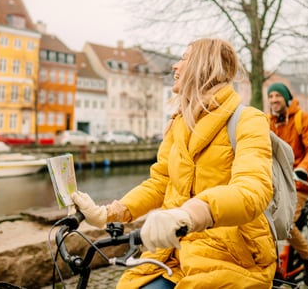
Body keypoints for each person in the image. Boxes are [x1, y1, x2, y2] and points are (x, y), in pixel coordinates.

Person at [71, 38, 276, 289]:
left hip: (231, 255)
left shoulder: (249, 120)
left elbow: (252, 191)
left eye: (184, 58)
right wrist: (107, 213)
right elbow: (160, 183)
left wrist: (190, 214)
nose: (174, 67)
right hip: (174, 251)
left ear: (205, 66)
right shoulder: (179, 122)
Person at [267, 82, 308, 287]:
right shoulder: (267, 121)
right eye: (270, 96)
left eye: (277, 96)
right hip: (274, 181)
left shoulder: (302, 119)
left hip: (298, 182)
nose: (273, 100)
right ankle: (273, 266)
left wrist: (303, 169)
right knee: (261, 220)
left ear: (286, 98)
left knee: (285, 222)